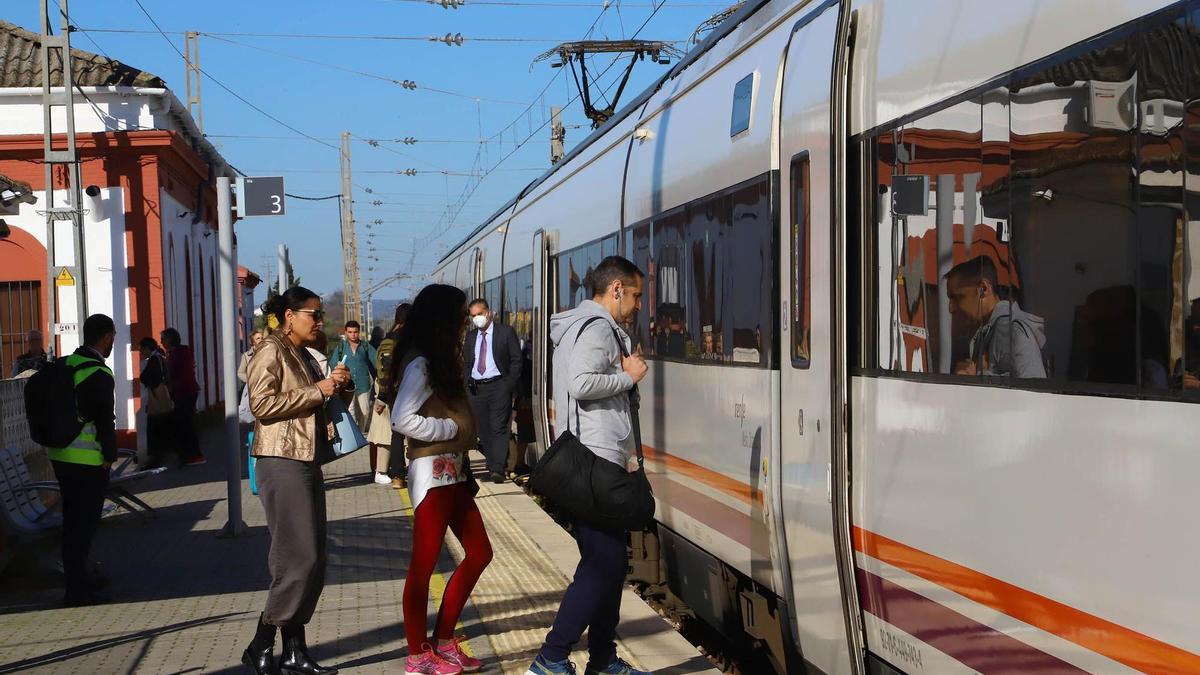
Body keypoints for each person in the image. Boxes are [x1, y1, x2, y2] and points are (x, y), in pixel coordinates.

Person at [527, 256, 651, 675]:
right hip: (595, 463)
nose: (637, 305)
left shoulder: (583, 326)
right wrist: (628, 377)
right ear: (616, 288)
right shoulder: (598, 328)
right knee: (603, 565)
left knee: (610, 564)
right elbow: (582, 384)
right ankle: (552, 656)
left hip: (595, 460)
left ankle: (602, 659)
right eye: (635, 295)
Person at [242, 286, 351, 675]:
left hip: (306, 458)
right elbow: (262, 404)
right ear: (290, 315)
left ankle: (294, 651)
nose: (319, 321)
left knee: (313, 558)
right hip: (280, 458)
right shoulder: (269, 350)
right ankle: (260, 644)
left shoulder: (301, 353)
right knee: (297, 558)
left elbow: (317, 400)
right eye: (313, 315)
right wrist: (316, 390)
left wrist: (338, 383)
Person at [390, 285, 492, 675]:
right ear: (444, 319)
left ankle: (445, 641)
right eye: (461, 315)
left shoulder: (441, 359)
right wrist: (446, 427)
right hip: (432, 474)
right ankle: (417, 655)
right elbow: (403, 418)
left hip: (454, 471)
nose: (467, 321)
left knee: (480, 552)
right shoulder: (422, 365)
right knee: (424, 564)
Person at [47, 314, 119, 607]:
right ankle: (78, 591)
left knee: (72, 525)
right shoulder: (99, 373)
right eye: (112, 337)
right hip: (88, 462)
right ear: (104, 338)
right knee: (83, 528)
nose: (112, 342)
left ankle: (79, 581)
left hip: (60, 455)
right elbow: (105, 421)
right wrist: (109, 457)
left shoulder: (67, 365)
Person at [945, 256, 1047, 379]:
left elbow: (1032, 390)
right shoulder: (989, 331)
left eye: (958, 297)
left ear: (983, 289)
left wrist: (974, 378)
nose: (951, 308)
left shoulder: (1010, 330)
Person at [463, 299, 522, 483]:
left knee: (499, 427)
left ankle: (498, 468)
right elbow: (466, 363)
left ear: (488, 313)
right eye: (472, 316)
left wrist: (508, 385)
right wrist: (467, 385)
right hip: (476, 388)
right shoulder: (471, 337)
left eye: (479, 314)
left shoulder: (505, 333)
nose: (476, 319)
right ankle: (491, 465)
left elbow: (516, 360)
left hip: (498, 386)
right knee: (483, 429)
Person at [369, 303, 410, 487]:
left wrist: (383, 398)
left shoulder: (389, 341)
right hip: (409, 393)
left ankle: (399, 475)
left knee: (398, 434)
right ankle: (402, 473)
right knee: (407, 434)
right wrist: (382, 399)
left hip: (396, 393)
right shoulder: (413, 341)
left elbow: (384, 375)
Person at [160, 327, 206, 466]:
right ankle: (192, 454)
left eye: (163, 339)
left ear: (169, 340)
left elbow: (172, 373)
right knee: (187, 423)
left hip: (184, 392)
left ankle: (191, 455)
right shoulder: (183, 351)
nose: (161, 342)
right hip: (188, 391)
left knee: (184, 425)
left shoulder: (177, 354)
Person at [329, 320, 377, 432]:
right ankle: (353, 432)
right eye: (350, 332)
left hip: (363, 384)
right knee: (350, 411)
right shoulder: (341, 347)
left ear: (359, 332)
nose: (353, 334)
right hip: (347, 385)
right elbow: (333, 363)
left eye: (355, 332)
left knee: (365, 411)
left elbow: (376, 361)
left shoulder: (365, 346)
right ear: (346, 332)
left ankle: (361, 430)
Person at [137, 337, 173, 469]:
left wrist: (146, 381)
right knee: (161, 428)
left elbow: (147, 377)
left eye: (141, 349)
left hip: (156, 398)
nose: (140, 352)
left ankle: (155, 459)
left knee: (154, 429)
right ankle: (160, 456)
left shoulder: (153, 359)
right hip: (163, 396)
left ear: (147, 348)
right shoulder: (161, 357)